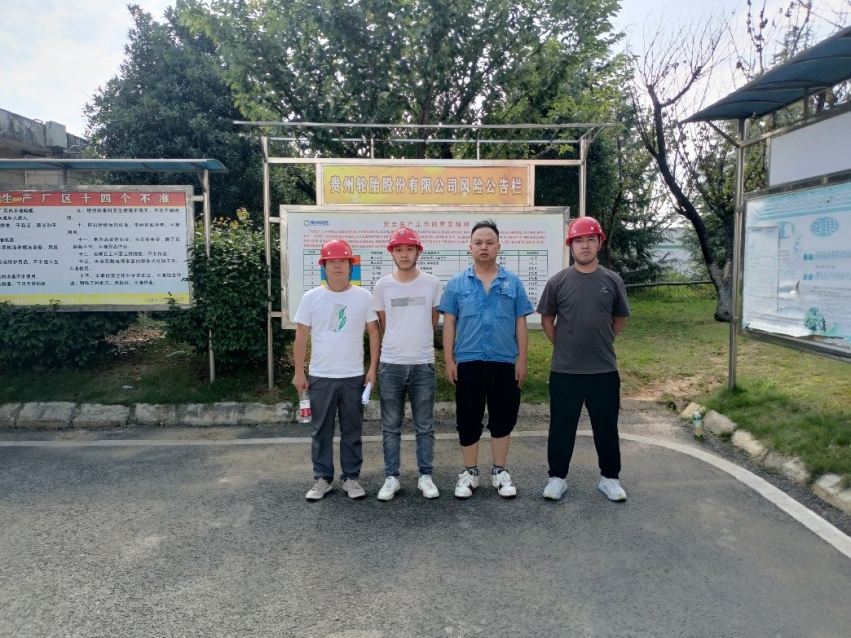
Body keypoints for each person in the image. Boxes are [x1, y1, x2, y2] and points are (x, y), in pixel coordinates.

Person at [536, 216, 631, 502]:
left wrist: (602, 340)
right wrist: (565, 344)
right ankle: (557, 478)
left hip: (603, 369)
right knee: (561, 426)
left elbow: (619, 318)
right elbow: (547, 320)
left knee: (606, 426)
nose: (585, 245)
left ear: (599, 243)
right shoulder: (558, 281)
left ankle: (610, 478)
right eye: (579, 240)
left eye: (590, 239)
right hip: (565, 370)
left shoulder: (612, 280)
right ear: (571, 246)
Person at [438, 219, 534, 499]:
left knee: (503, 417)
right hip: (468, 361)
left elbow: (520, 322)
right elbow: (449, 323)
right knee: (468, 418)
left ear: (498, 247)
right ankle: (469, 473)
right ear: (470, 247)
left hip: (504, 361)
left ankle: (499, 472)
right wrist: (449, 360)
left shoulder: (512, 282)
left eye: (489, 243)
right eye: (478, 243)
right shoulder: (457, 283)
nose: (484, 247)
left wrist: (522, 360)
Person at [292, 238, 380, 501]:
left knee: (352, 430)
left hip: (353, 376)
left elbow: (374, 333)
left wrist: (372, 369)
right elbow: (301, 336)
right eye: (332, 262)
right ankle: (322, 478)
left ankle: (351, 478)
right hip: (321, 376)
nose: (338, 266)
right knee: (321, 430)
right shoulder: (311, 298)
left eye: (343, 261)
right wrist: (299, 372)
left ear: (351, 266)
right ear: (324, 266)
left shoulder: (364, 297)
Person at [372, 227, 442, 501]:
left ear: (417, 252)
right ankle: (392, 477)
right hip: (391, 364)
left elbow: (433, 321)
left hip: (423, 363)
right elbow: (384, 323)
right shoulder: (382, 286)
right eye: (399, 249)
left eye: (409, 249)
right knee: (391, 426)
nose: (404, 254)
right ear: (392, 253)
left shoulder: (431, 283)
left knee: (425, 425)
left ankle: (426, 476)